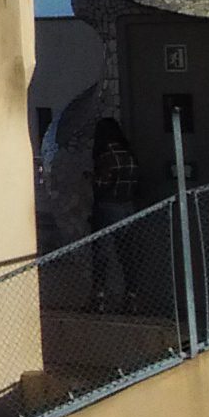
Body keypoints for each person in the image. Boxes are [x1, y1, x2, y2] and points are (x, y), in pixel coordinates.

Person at [86, 117, 142, 313]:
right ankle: (132, 297)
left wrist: (90, 178)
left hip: (107, 207)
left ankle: (99, 297)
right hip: (127, 206)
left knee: (101, 253)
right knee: (126, 254)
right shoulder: (128, 155)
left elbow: (102, 184)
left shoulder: (107, 156)